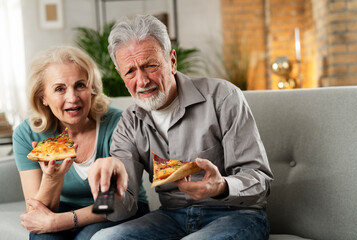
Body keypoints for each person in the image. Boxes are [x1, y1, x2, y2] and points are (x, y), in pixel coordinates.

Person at [88, 15, 274, 240]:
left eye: (150, 65)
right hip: (170, 217)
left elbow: (259, 181)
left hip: (235, 214)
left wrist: (221, 186)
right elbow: (123, 210)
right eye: (130, 72)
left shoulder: (223, 97)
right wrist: (107, 189)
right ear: (121, 75)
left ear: (172, 61)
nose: (142, 80)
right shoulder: (129, 123)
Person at [12, 46, 149, 240]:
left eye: (80, 85)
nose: (73, 98)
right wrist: (52, 179)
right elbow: (36, 213)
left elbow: (111, 204)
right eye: (60, 89)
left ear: (91, 88)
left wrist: (59, 221)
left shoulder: (117, 124)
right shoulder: (26, 134)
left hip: (117, 211)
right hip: (62, 209)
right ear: (43, 97)